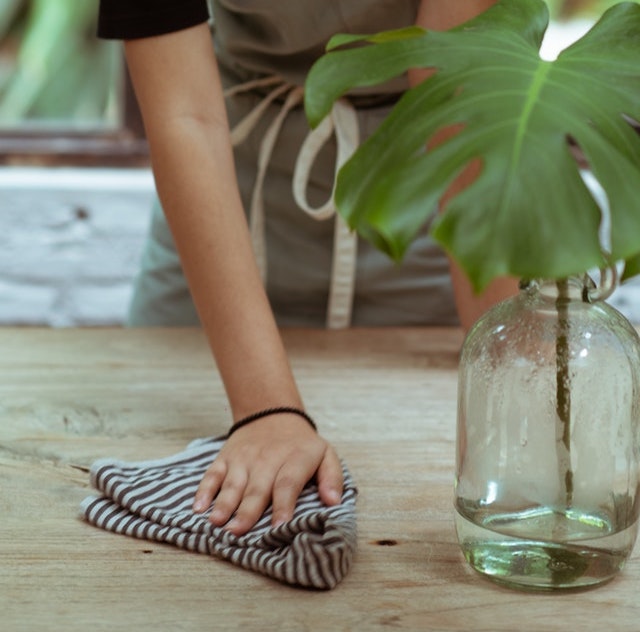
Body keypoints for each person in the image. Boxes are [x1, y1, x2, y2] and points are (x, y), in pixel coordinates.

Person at [97, 0, 515, 537]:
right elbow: (187, 117)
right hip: (226, 203)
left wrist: (512, 378)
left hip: (416, 204)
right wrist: (265, 413)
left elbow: (455, 89)